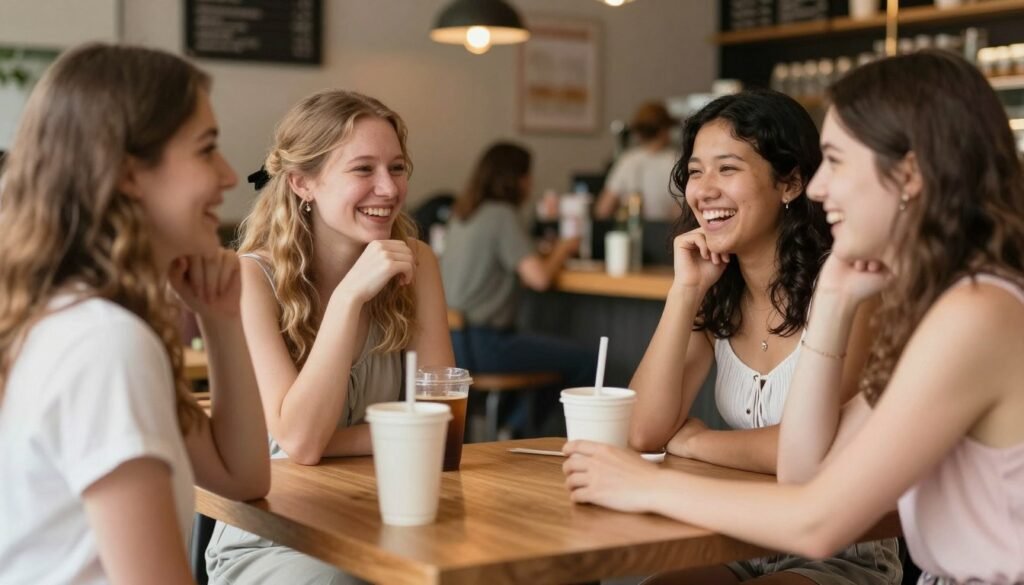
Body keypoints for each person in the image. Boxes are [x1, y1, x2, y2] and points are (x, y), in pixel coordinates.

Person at [563, 50, 1024, 585]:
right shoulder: (950, 304)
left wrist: (644, 482)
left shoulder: (977, 315)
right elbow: (806, 470)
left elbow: (819, 524)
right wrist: (830, 298)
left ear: (910, 175)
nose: (820, 186)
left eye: (838, 161)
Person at [0, 44, 269, 584]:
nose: (229, 174)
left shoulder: (76, 318)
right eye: (206, 149)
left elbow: (241, 477)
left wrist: (221, 318)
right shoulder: (104, 342)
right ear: (127, 173)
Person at [624, 89, 900, 584]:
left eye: (727, 169)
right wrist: (684, 293)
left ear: (790, 182)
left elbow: (814, 451)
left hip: (839, 544)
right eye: (694, 172)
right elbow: (644, 430)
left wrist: (700, 442)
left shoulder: (847, 289)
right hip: (740, 533)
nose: (704, 190)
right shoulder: (716, 292)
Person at [205, 90, 454, 584]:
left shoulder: (417, 262)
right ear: (303, 183)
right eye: (363, 170)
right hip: (276, 539)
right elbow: (300, 441)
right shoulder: (251, 279)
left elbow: (441, 428)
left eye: (397, 168)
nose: (387, 187)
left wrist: (338, 441)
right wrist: (348, 299)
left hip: (391, 520)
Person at [440, 142, 595, 436]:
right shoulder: (502, 215)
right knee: (586, 360)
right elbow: (538, 279)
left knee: (546, 356)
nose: (531, 183)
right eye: (528, 175)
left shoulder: (463, 215)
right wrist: (563, 248)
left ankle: (511, 425)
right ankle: (516, 427)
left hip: (454, 343)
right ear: (516, 179)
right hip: (486, 344)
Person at [595, 101, 680, 221]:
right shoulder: (678, 160)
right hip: (668, 232)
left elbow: (603, 209)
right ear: (664, 130)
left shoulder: (628, 160)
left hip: (634, 229)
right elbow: (681, 210)